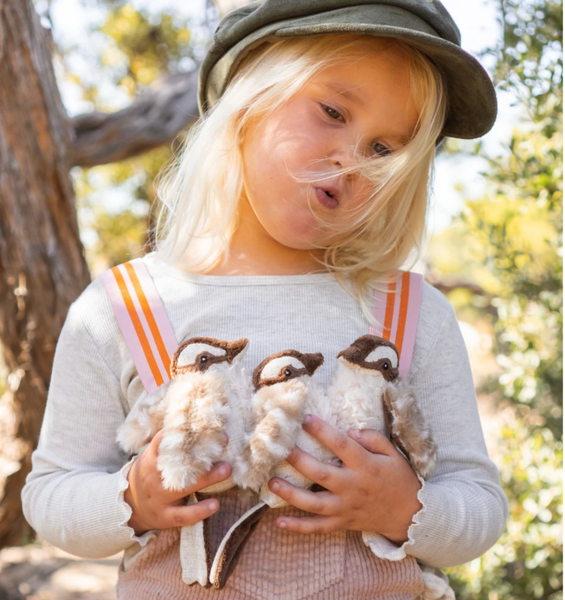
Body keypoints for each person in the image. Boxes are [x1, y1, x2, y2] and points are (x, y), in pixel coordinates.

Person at [22, 1, 509, 598]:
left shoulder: (413, 315)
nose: (352, 159)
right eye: (333, 111)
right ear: (249, 100)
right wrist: (132, 498)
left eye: (384, 149)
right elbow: (50, 494)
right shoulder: (123, 309)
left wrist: (403, 507)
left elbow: (479, 504)